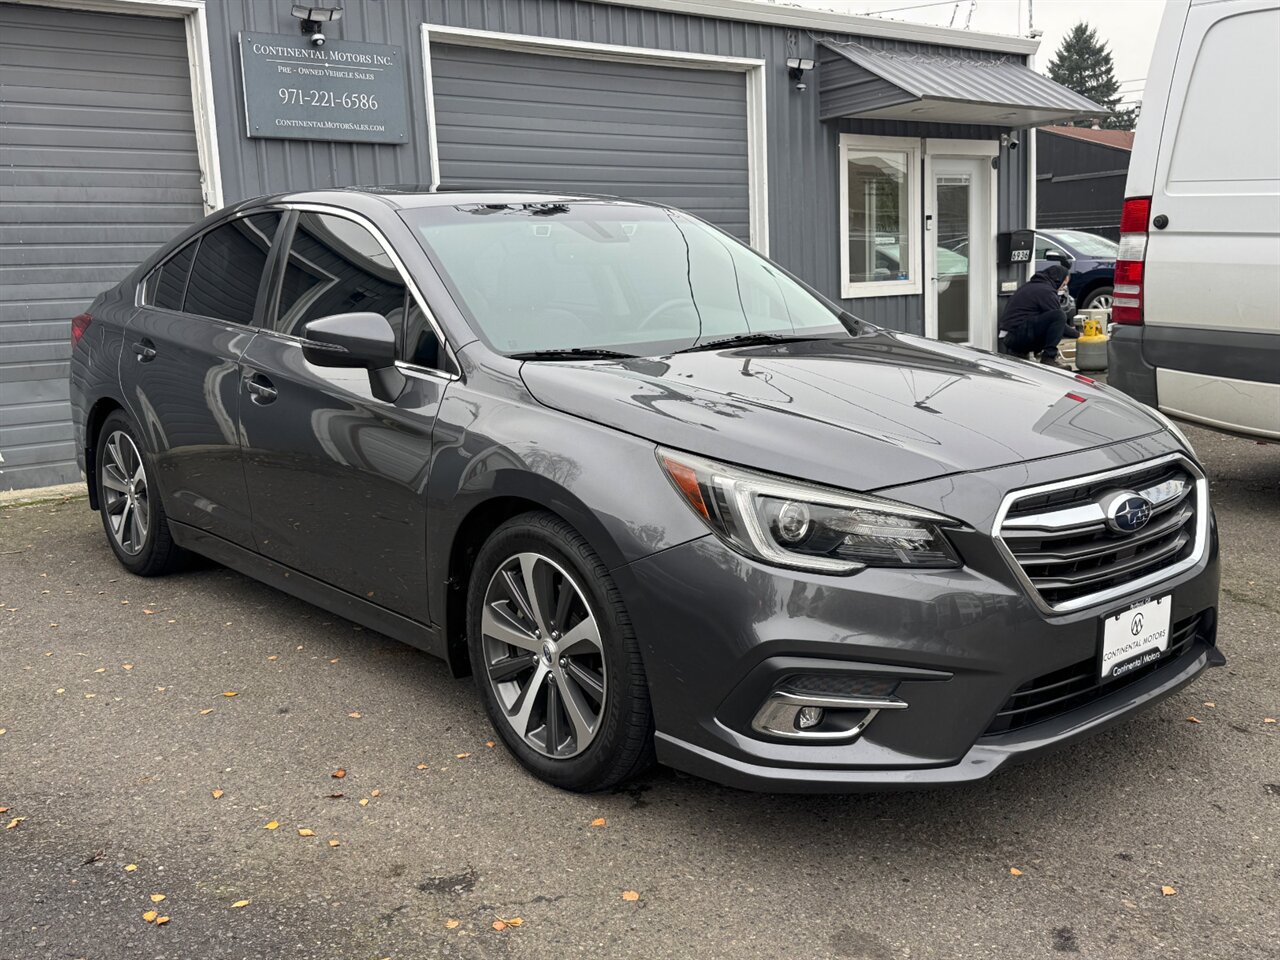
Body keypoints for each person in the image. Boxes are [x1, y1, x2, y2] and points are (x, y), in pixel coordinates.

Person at [999, 263, 1080, 366]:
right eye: (1063, 284)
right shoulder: (1046, 291)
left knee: (1052, 320)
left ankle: (1023, 353)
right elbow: (1059, 324)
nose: (1062, 288)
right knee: (1059, 316)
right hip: (1015, 337)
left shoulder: (1032, 286)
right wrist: (1078, 335)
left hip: (1011, 335)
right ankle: (1049, 358)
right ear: (1058, 280)